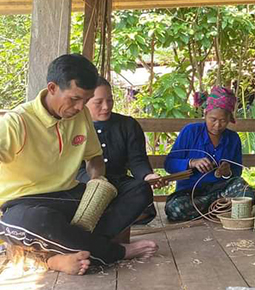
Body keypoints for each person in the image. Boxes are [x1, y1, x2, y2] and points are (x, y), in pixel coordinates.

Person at [0, 54, 158, 275]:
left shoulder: (80, 114)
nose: (80, 106)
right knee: (24, 222)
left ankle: (63, 254)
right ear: (52, 88)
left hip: (70, 195)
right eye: (74, 99)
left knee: (138, 190)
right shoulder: (17, 122)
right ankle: (114, 252)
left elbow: (94, 157)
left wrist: (96, 183)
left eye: (86, 99)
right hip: (26, 203)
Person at [77, 76, 161, 224]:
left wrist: (147, 176)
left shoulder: (128, 125)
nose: (106, 106)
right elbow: (75, 168)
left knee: (142, 190)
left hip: (119, 182)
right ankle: (115, 218)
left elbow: (137, 160)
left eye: (110, 100)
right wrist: (96, 184)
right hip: (87, 184)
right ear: (84, 102)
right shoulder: (74, 127)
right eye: (98, 102)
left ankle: (106, 218)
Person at [163, 85, 254, 222]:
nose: (217, 125)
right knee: (175, 209)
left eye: (223, 121)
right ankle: (218, 208)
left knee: (248, 193)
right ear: (205, 114)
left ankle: (212, 207)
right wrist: (192, 163)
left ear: (229, 119)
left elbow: (237, 172)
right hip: (189, 194)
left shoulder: (233, 138)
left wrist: (227, 171)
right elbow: (169, 164)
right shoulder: (190, 131)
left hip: (220, 191)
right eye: (213, 119)